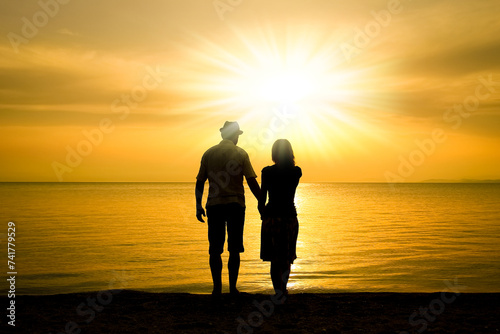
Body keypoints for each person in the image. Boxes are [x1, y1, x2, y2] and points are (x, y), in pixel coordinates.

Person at [195, 121, 260, 296]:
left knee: (215, 249)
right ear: (235, 136)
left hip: (214, 205)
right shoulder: (240, 153)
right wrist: (262, 200)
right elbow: (251, 180)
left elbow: (200, 181)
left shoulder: (208, 153)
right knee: (234, 248)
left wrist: (198, 206)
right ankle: (232, 288)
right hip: (235, 205)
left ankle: (217, 288)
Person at [258, 139, 302, 297]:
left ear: (274, 153)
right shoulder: (296, 172)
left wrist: (263, 215)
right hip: (289, 217)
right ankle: (283, 290)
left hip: (272, 217)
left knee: (274, 259)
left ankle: (278, 292)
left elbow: (261, 200)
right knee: (286, 257)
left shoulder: (267, 172)